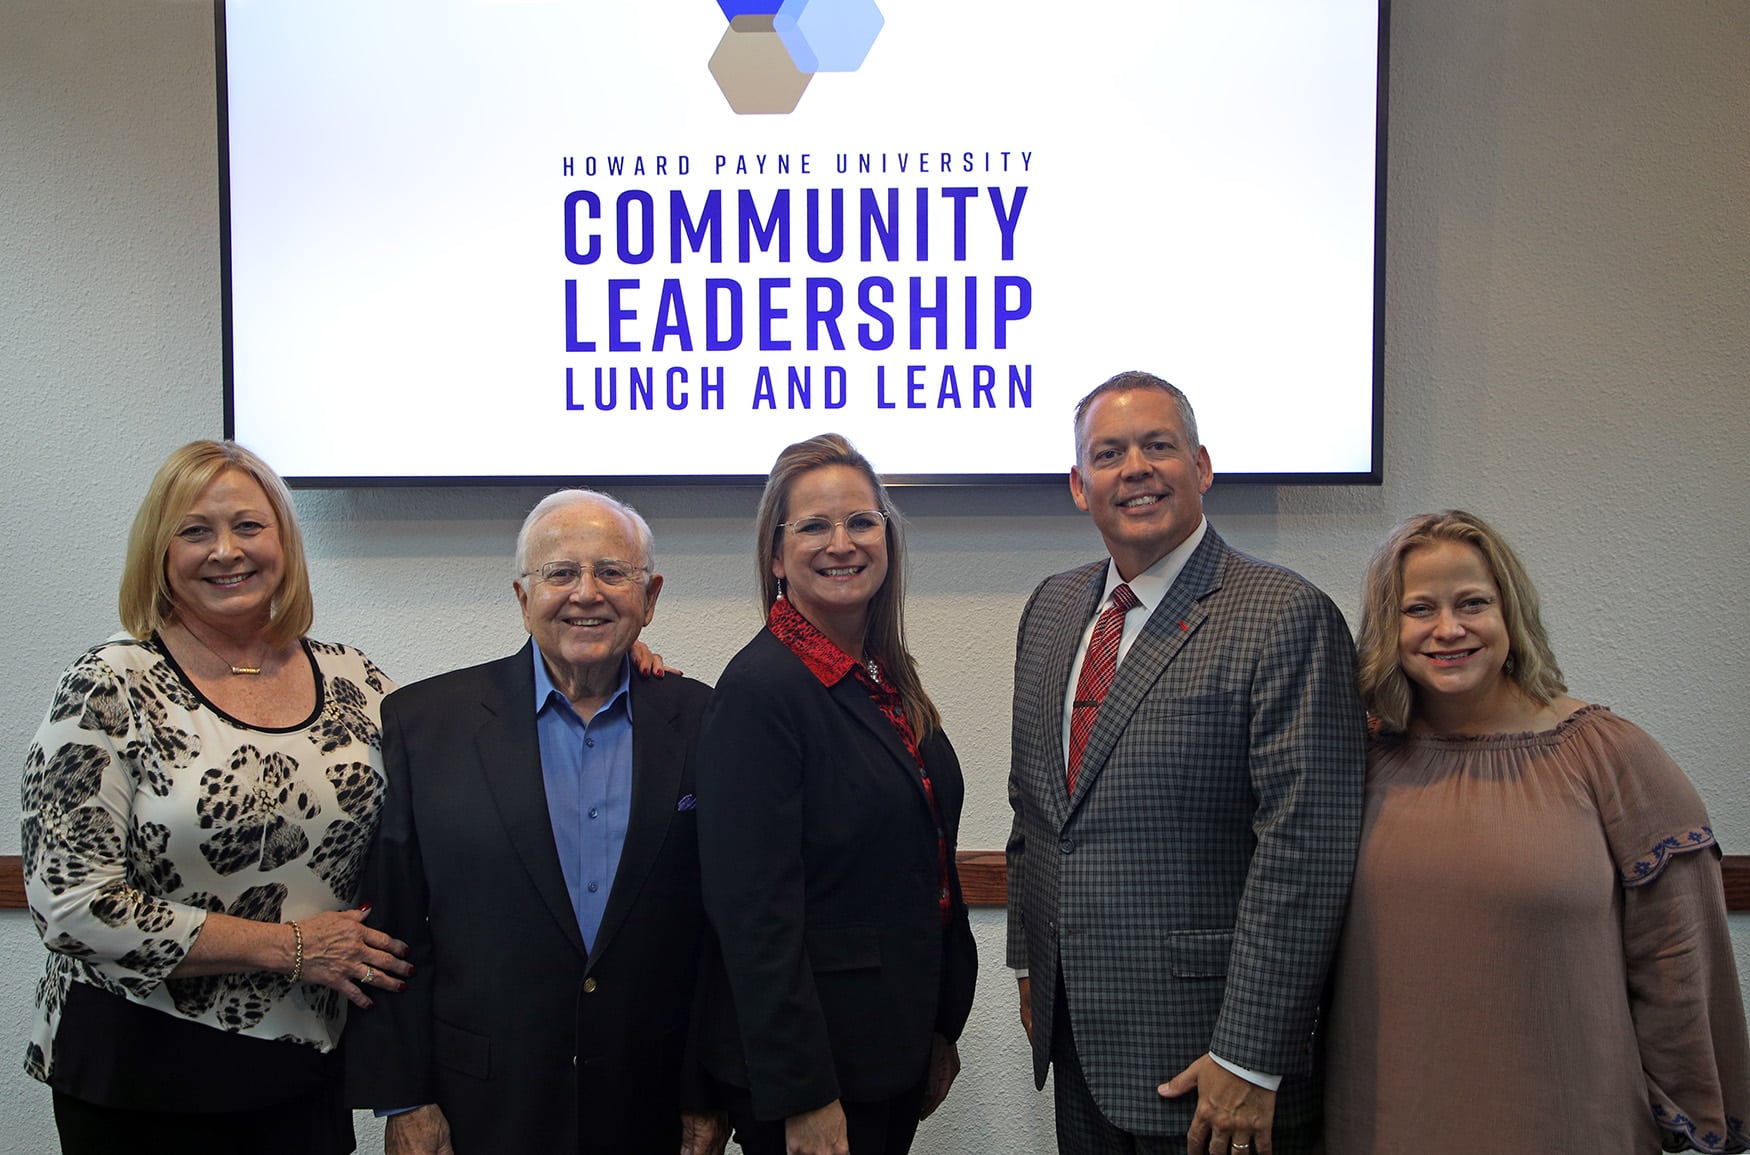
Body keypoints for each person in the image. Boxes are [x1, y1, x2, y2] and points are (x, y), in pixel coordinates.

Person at [1006, 372, 1366, 1155]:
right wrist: (1033, 965)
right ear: (1079, 484)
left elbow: (1306, 850)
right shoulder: (1052, 609)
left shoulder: (1282, 614)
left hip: (1217, 1072)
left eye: (1157, 445)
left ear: (1201, 467)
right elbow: (1035, 812)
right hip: (1080, 1047)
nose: (1134, 467)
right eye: (1109, 453)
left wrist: (1251, 1053)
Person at [20, 439, 408, 1154]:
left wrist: (610, 665)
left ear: (284, 542)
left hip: (304, 1068)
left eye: (249, 526)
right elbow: (70, 904)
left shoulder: (354, 678)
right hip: (141, 1069)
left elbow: (450, 783)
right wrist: (290, 946)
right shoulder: (108, 684)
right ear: (160, 553)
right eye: (196, 530)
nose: (226, 550)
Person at [1322, 509, 1750, 1154]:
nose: (1448, 629)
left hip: (1568, 1120)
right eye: (1419, 610)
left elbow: (1678, 962)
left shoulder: (1610, 756)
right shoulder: (1353, 758)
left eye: (1473, 603)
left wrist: (1684, 1107)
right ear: (1388, 627)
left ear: (1510, 615)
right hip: (1379, 1121)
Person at [344, 488, 725, 1155]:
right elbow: (396, 929)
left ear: (650, 595)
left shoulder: (705, 721)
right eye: (560, 573)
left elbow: (721, 932)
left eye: (612, 572)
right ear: (523, 597)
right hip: (479, 1107)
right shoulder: (426, 725)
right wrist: (406, 1096)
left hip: (652, 1105)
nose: (587, 593)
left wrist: (708, 1087)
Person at [693, 433, 978, 1155]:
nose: (841, 542)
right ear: (775, 554)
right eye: (814, 525)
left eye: (861, 521)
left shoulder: (881, 676)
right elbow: (754, 915)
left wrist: (939, 1025)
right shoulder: (762, 690)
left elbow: (919, 860)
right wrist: (805, 1095)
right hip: (818, 1081)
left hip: (888, 1051)